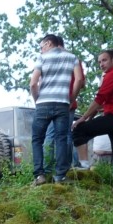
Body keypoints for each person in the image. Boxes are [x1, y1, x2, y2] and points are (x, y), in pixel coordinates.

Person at [72, 48, 113, 196]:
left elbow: (99, 99)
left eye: (104, 60)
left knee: (79, 130)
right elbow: (106, 102)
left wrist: (83, 118)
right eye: (99, 61)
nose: (101, 64)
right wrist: (91, 116)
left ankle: (84, 166)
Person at [30, 33, 85, 185]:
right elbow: (79, 80)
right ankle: (60, 176)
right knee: (61, 139)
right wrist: (71, 99)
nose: (41, 50)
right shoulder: (72, 57)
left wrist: (37, 100)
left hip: (43, 103)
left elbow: (33, 83)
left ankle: (40, 175)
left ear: (48, 43)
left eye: (41, 47)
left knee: (37, 140)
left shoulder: (42, 58)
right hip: (63, 104)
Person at [42, 36, 85, 174]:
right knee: (65, 135)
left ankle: (47, 169)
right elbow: (81, 82)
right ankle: (64, 169)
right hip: (67, 103)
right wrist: (72, 98)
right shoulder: (73, 58)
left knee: (50, 135)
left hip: (48, 101)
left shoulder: (48, 58)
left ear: (52, 44)